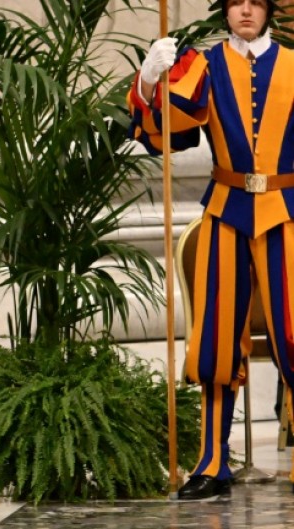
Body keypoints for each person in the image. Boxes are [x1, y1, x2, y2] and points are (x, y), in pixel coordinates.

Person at [130, 0, 294, 499]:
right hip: (226, 212)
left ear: (267, 10)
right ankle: (212, 463)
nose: (246, 10)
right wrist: (149, 83)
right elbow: (166, 134)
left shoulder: (293, 63)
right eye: (236, 2)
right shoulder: (204, 65)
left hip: (288, 212)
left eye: (255, 2)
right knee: (217, 342)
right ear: (225, 11)